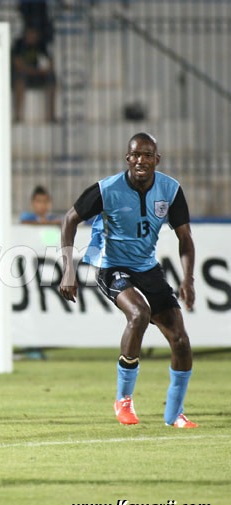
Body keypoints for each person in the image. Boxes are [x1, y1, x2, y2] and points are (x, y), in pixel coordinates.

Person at [59, 133, 198, 429]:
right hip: (112, 266)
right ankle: (123, 400)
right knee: (138, 315)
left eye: (147, 155)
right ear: (127, 158)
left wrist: (188, 279)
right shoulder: (107, 189)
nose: (141, 161)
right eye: (135, 155)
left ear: (156, 159)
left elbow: (185, 237)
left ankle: (174, 413)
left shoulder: (170, 190)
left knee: (181, 340)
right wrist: (68, 269)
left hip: (147, 268)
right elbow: (70, 219)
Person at [11, 25, 56, 123]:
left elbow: (50, 63)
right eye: (30, 34)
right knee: (19, 80)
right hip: (24, 75)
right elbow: (18, 64)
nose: (32, 36)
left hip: (38, 75)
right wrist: (35, 71)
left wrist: (43, 70)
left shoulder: (41, 45)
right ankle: (18, 116)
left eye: (34, 34)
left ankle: (51, 115)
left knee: (52, 79)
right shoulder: (19, 44)